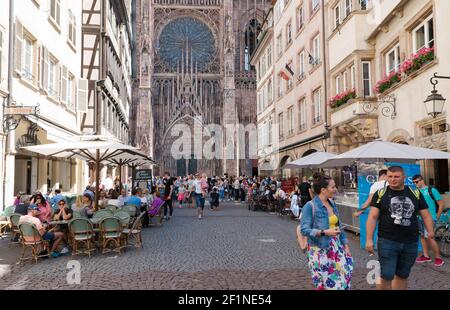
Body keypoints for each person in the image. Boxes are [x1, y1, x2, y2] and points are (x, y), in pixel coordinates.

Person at [366, 166, 434, 290]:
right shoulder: (380, 194)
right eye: (390, 176)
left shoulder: (415, 193)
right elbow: (372, 217)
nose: (392, 179)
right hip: (387, 240)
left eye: (396, 176)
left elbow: (426, 215)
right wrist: (369, 239)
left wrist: (430, 231)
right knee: (386, 275)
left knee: (402, 275)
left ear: (404, 177)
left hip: (410, 242)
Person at [300, 172, 353, 290]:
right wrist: (324, 232)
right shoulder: (310, 206)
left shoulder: (332, 203)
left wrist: (346, 246)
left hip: (336, 247)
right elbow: (304, 230)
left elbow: (339, 225)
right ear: (323, 190)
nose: (335, 189)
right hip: (319, 249)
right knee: (324, 284)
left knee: (344, 279)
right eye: (333, 187)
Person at [412, 175, 445, 267]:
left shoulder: (432, 190)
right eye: (414, 182)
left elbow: (441, 204)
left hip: (430, 218)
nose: (415, 184)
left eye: (417, 182)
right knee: (422, 237)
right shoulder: (416, 191)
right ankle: (426, 256)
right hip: (419, 218)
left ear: (422, 180)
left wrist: (437, 216)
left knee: (430, 237)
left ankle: (438, 258)